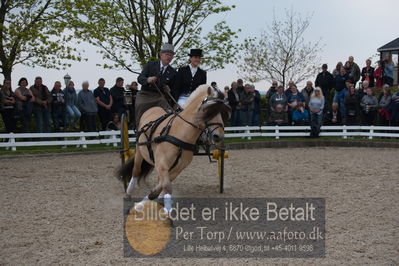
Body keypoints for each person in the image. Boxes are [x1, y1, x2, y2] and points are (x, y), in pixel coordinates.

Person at [136, 43, 177, 127]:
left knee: (169, 112)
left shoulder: (173, 72)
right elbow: (140, 78)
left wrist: (169, 90)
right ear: (161, 55)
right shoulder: (150, 64)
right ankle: (138, 128)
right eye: (167, 54)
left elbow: (173, 89)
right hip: (145, 94)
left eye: (171, 55)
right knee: (140, 106)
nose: (169, 57)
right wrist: (148, 80)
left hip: (160, 96)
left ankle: (166, 130)